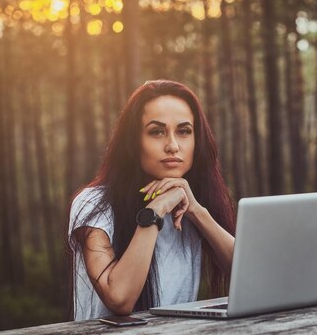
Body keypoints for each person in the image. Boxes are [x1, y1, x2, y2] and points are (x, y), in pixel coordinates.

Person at [68, 79, 235, 321]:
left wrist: (197, 212)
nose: (173, 146)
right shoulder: (94, 203)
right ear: (134, 142)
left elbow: (250, 277)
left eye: (184, 131)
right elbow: (119, 297)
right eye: (157, 131)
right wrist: (154, 211)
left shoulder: (192, 206)